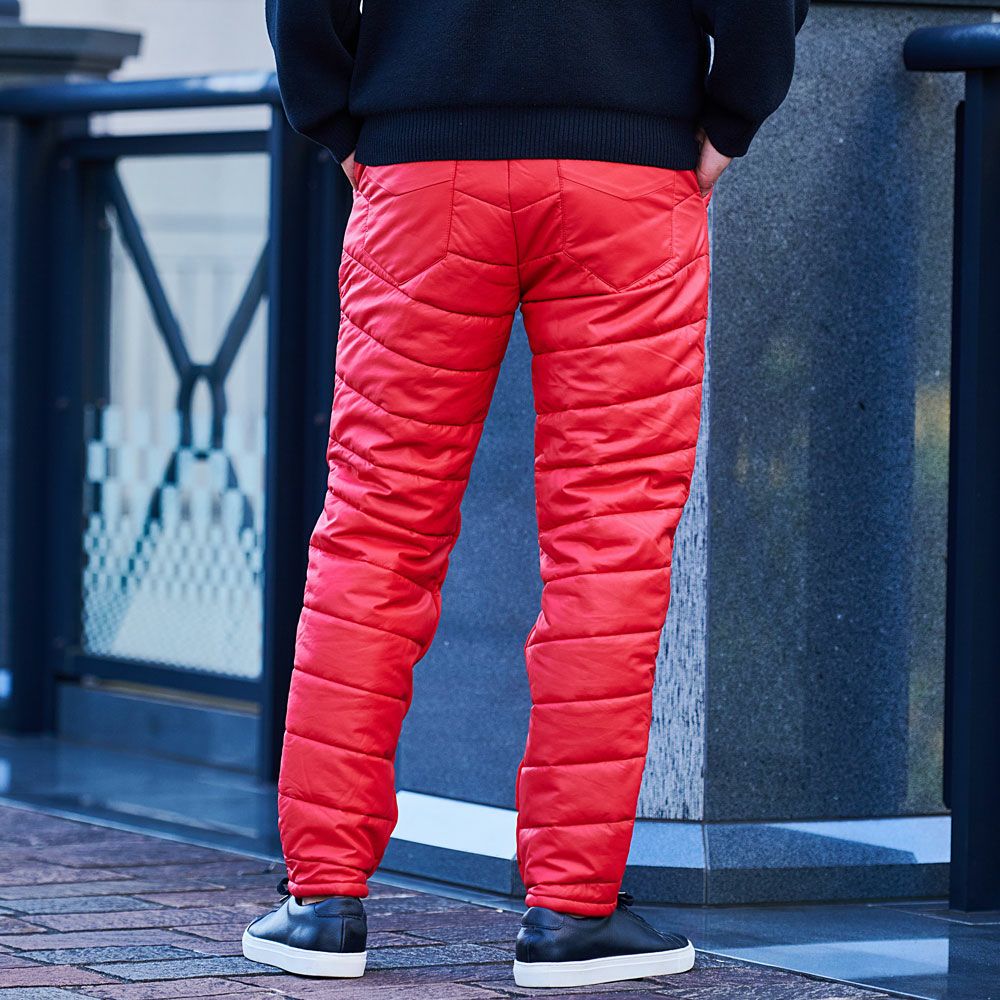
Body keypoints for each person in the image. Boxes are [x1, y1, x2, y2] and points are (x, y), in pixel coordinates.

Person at [244, 0, 809, 988]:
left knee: (374, 530)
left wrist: (335, 116)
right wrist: (735, 112)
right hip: (628, 171)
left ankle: (322, 903)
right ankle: (571, 916)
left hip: (421, 168)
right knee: (610, 541)